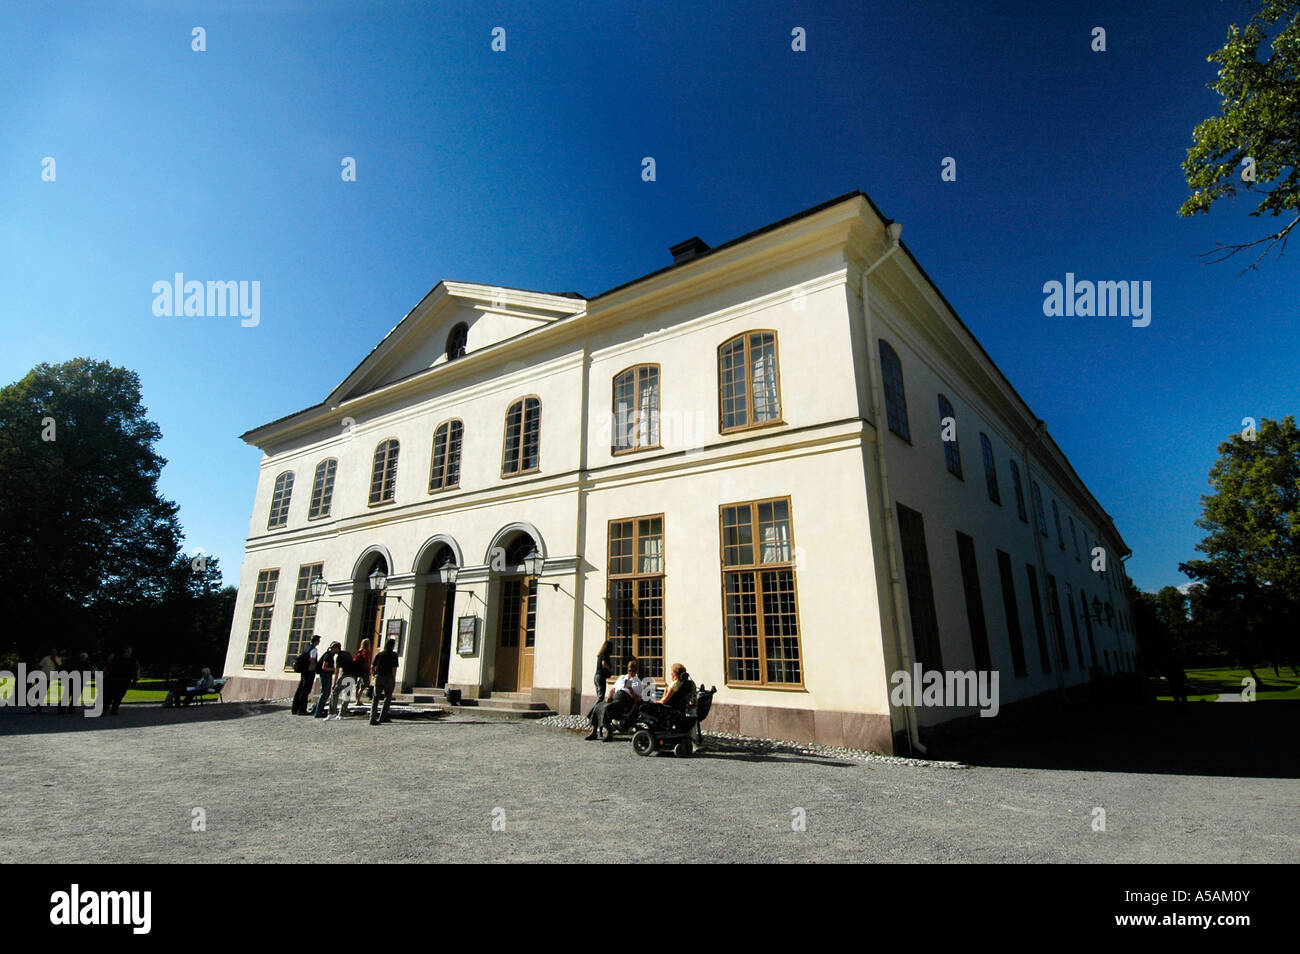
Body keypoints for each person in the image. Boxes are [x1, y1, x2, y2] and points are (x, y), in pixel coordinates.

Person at [596, 660, 642, 741]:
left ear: (636, 671)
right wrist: (609, 697)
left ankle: (609, 732)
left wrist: (631, 691)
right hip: (614, 696)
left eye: (633, 671)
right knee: (598, 706)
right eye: (629, 670)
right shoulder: (622, 677)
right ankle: (593, 731)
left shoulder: (637, 682)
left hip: (624, 700)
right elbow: (613, 689)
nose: (631, 672)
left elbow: (637, 699)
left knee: (607, 708)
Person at [370, 638, 400, 725]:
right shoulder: (394, 655)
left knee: (375, 698)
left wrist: (373, 675)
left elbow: (372, 666)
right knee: (387, 698)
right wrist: (394, 679)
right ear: (393, 645)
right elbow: (394, 668)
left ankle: (372, 718)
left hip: (378, 677)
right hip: (388, 677)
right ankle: (383, 717)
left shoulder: (379, 654)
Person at [105, 647, 139, 715]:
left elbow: (136, 669)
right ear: (124, 651)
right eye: (128, 651)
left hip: (125, 680)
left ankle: (114, 710)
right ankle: (105, 709)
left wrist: (135, 679)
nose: (130, 653)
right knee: (110, 696)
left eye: (130, 651)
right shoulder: (117, 658)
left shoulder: (133, 660)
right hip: (114, 680)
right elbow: (109, 667)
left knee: (119, 696)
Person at [292, 635, 320, 715]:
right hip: (309, 672)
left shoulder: (307, 648)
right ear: (316, 641)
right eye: (318, 640)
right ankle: (302, 709)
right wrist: (315, 669)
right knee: (305, 690)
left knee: (300, 689)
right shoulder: (314, 649)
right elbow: (312, 660)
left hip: (304, 671)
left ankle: (295, 708)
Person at [314, 642, 341, 719]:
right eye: (338, 648)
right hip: (325, 675)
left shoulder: (330, 655)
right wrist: (333, 669)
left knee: (325, 693)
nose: (338, 650)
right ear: (335, 648)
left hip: (326, 675)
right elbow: (324, 667)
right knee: (325, 693)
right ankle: (318, 712)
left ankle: (316, 710)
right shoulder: (328, 655)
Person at [353, 638, 373, 703]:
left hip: (358, 671)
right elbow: (366, 662)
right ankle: (358, 699)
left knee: (357, 686)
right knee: (364, 685)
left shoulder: (359, 651)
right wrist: (369, 670)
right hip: (364, 671)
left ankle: (357, 699)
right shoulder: (366, 652)